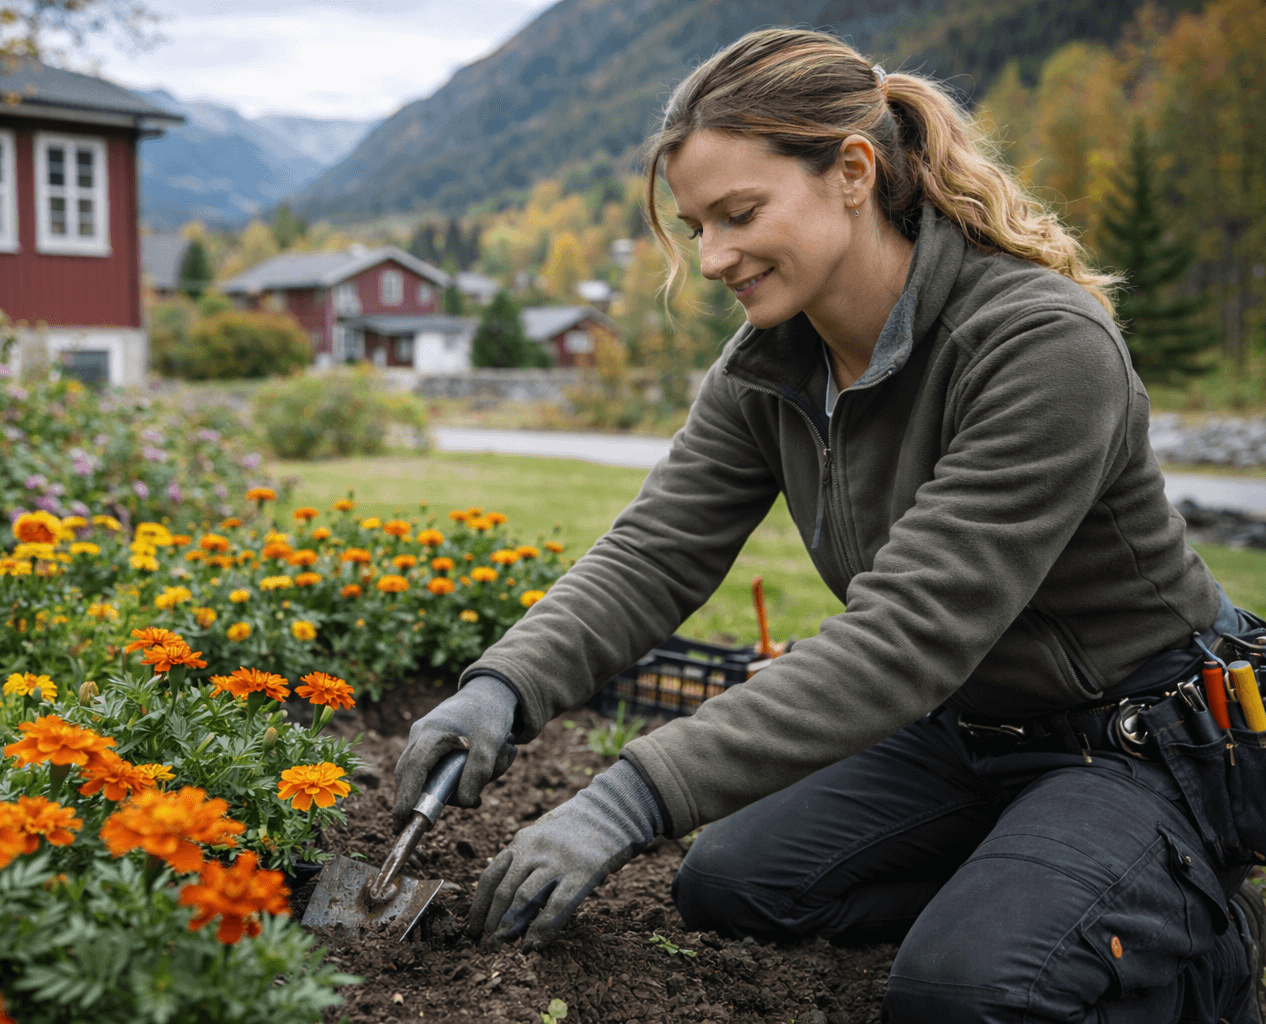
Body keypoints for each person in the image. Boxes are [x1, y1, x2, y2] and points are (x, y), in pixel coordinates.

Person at [393, 27, 1266, 1023]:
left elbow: (909, 634)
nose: (713, 258)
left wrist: (625, 797)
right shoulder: (772, 363)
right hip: (966, 730)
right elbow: (654, 551)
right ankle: (1043, 891)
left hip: (1139, 738)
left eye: (741, 214)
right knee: (731, 884)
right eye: (696, 227)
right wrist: (502, 689)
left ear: (853, 172)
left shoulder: (1039, 344)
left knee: (962, 992)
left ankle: (1186, 935)